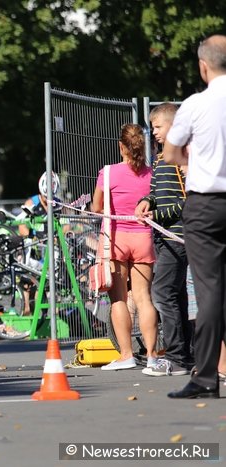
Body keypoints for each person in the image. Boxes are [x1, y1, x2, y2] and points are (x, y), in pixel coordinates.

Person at [163, 34, 226, 399]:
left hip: (206, 204)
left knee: (210, 289)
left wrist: (195, 160)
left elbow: (170, 153)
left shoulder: (194, 104)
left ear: (204, 66)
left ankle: (205, 376)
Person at [91, 123, 158, 371]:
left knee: (118, 298)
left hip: (116, 238)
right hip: (143, 238)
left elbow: (96, 208)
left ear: (121, 146)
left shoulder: (108, 173)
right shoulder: (152, 174)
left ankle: (126, 355)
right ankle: (152, 355)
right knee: (144, 298)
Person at [135, 103, 193, 377]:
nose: (153, 132)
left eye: (158, 126)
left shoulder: (183, 155)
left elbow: (188, 201)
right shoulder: (160, 158)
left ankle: (176, 357)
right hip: (162, 237)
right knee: (176, 295)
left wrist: (159, 214)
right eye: (152, 127)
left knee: (162, 293)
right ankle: (185, 355)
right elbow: (156, 191)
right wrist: (146, 202)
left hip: (179, 236)